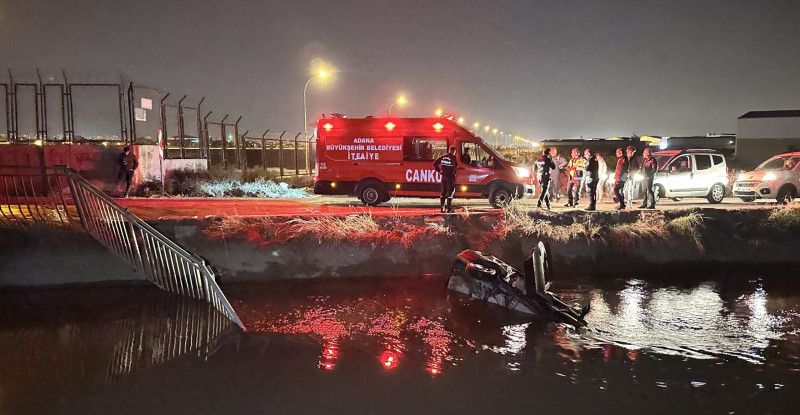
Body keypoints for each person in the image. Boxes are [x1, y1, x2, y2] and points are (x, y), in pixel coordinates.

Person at [433, 145, 459, 213]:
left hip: (443, 176)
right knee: (451, 191)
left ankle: (442, 207)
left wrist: (439, 171)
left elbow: (435, 163)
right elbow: (455, 166)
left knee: (443, 191)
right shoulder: (453, 158)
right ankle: (449, 208)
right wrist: (454, 172)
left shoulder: (443, 157)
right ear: (453, 151)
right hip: (450, 176)